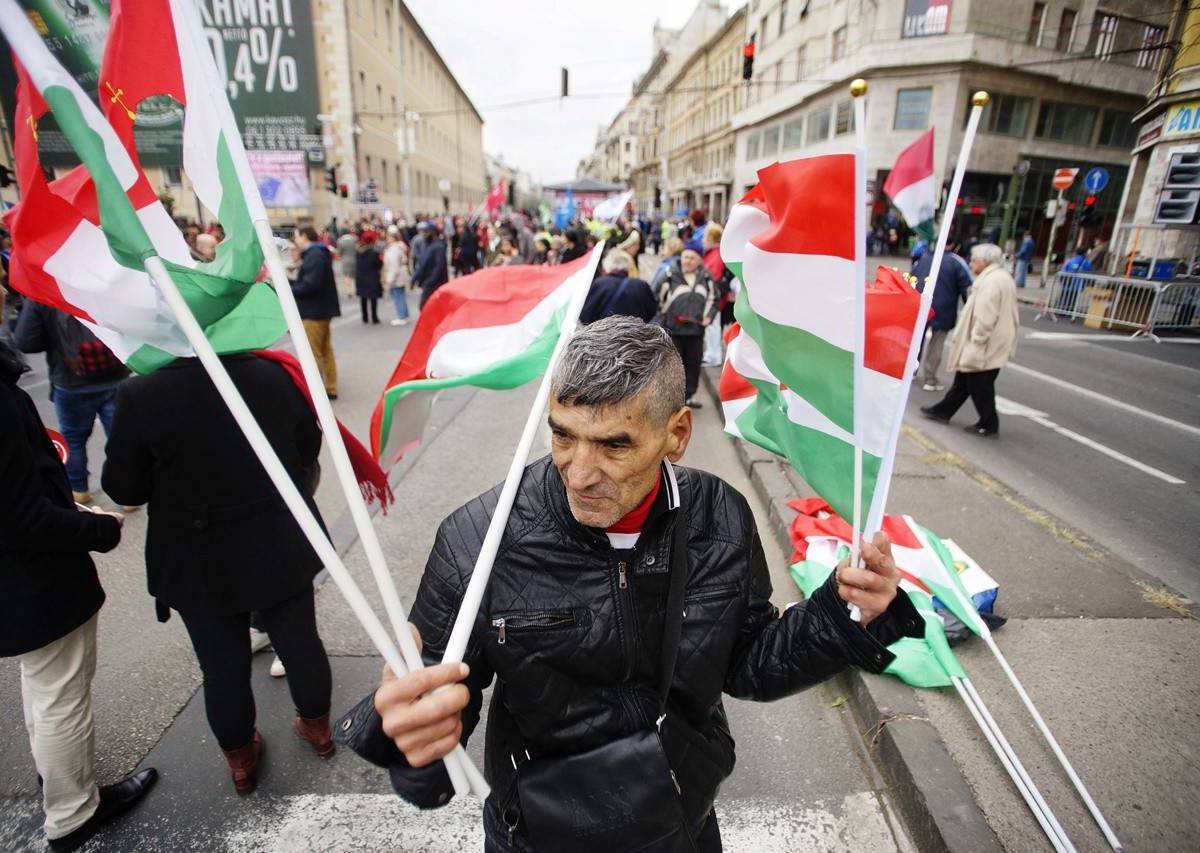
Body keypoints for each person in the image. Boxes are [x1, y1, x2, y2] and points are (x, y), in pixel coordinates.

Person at [337, 316, 920, 852]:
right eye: (563, 436)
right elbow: (436, 716)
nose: (581, 473)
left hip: (677, 817)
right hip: (539, 833)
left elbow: (746, 662)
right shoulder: (477, 540)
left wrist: (844, 613)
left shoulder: (720, 517)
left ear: (677, 434)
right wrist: (414, 745)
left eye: (614, 444)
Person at [101, 353, 336, 794]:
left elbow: (124, 486)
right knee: (300, 640)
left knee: (221, 665)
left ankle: (241, 759)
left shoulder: (142, 391)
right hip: (275, 535)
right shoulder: (271, 374)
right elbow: (306, 449)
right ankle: (318, 729)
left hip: (198, 550)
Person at [0, 337, 158, 852]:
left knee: (44, 686)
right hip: (32, 579)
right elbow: (23, 518)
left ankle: (65, 784)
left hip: (22, 577)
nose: (3, 286)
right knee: (58, 695)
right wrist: (98, 530)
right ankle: (73, 813)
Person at [15, 303, 130, 504]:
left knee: (73, 439)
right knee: (121, 435)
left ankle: (79, 489)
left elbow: (26, 341)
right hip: (116, 375)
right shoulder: (98, 277)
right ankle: (127, 494)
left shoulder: (43, 289)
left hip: (70, 380)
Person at [920, 244, 1020, 437]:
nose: (971, 263)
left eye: (974, 260)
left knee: (979, 382)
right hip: (996, 339)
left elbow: (985, 316)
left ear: (985, 261)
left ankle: (989, 423)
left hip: (986, 342)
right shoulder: (1001, 277)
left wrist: (977, 340)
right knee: (965, 379)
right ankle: (944, 410)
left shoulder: (990, 282)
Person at [658, 247, 719, 409]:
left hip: (696, 330)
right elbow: (657, 296)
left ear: (699, 260)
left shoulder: (706, 277)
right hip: (673, 329)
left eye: (692, 258)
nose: (688, 261)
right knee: (674, 365)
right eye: (685, 257)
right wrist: (663, 318)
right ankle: (672, 400)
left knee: (693, 364)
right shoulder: (670, 275)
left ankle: (689, 396)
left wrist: (708, 317)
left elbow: (714, 299)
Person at [290, 226, 341, 399]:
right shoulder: (319, 253)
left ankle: (318, 390)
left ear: (304, 236)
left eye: (296, 236)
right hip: (321, 309)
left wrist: (289, 289)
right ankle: (330, 386)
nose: (295, 240)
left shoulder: (314, 255)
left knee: (314, 353)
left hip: (314, 311)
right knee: (325, 350)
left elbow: (311, 284)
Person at [913, 246, 973, 392]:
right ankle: (930, 378)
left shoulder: (923, 259)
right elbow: (967, 287)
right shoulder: (956, 262)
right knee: (937, 344)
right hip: (943, 309)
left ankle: (911, 371)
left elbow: (912, 278)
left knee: (916, 342)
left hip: (920, 306)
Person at [579, 248, 658, 324]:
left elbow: (585, 316)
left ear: (607, 264)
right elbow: (652, 312)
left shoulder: (600, 283)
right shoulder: (641, 285)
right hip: (635, 335)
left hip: (603, 335)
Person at [700, 223, 732, 366]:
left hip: (713, 297)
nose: (703, 240)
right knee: (711, 326)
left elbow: (713, 275)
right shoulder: (716, 252)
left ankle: (713, 355)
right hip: (713, 296)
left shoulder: (715, 254)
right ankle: (712, 354)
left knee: (712, 326)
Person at [412, 222, 449, 309]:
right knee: (426, 307)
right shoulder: (425, 245)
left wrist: (430, 281)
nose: (424, 234)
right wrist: (414, 279)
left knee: (427, 306)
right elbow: (422, 264)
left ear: (433, 232)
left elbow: (439, 267)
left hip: (435, 283)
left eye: (426, 232)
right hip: (428, 282)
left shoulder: (439, 246)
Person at [383, 226, 412, 327]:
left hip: (397, 275)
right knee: (401, 295)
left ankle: (401, 316)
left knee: (397, 296)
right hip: (401, 273)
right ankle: (404, 315)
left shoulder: (393, 249)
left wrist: (389, 280)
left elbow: (393, 266)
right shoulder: (400, 246)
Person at [355, 230, 384, 325]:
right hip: (372, 276)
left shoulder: (358, 252)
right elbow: (379, 264)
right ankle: (374, 317)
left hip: (361, 276)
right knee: (373, 298)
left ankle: (365, 317)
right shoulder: (374, 253)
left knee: (363, 298)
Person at [1056, 247, 1093, 316]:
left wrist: (1061, 279)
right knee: (1073, 298)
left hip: (1067, 282)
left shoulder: (1071, 260)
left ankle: (1060, 310)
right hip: (1078, 284)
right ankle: (1069, 311)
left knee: (1064, 296)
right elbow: (1089, 270)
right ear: (1085, 253)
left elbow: (1064, 269)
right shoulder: (1086, 262)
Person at [336, 230, 358, 298]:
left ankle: (349, 291)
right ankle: (355, 289)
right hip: (355, 259)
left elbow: (339, 252)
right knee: (354, 275)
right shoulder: (354, 239)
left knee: (346, 276)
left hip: (345, 260)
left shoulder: (340, 241)